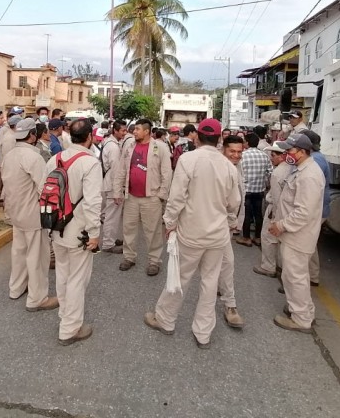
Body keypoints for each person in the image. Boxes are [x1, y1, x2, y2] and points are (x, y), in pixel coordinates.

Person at [144, 119, 241, 349]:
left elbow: (176, 197)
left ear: (197, 135)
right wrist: (229, 222)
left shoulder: (188, 160)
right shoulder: (228, 166)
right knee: (210, 282)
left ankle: (165, 320)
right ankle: (203, 333)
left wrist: (169, 223)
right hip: (217, 236)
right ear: (219, 138)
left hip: (191, 233)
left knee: (180, 277)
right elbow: (234, 202)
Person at [46, 118, 101, 345]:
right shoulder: (90, 163)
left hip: (56, 228)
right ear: (89, 137)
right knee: (78, 279)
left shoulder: (54, 159)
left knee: (63, 274)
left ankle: (64, 316)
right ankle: (70, 329)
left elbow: (44, 191)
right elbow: (92, 202)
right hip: (79, 232)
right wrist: (95, 232)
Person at [268, 133, 325, 333]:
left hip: (298, 235)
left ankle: (301, 319)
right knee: (295, 275)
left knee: (295, 277)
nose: (286, 154)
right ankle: (301, 310)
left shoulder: (309, 175)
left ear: (302, 152)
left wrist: (281, 225)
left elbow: (303, 212)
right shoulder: (300, 169)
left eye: (289, 150)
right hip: (294, 235)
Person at [2, 118, 58, 311]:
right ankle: (37, 298)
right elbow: (45, 189)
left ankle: (16, 288)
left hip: (16, 212)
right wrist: (52, 216)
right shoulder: (33, 157)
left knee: (18, 253)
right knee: (37, 257)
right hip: (33, 215)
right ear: (32, 135)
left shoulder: (9, 156)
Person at [113, 118, 173, 276]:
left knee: (152, 231)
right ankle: (129, 257)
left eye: (138, 129)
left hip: (152, 197)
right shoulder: (129, 146)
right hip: (131, 196)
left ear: (147, 131)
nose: (134, 131)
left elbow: (167, 173)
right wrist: (117, 191)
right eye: (135, 129)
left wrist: (161, 195)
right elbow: (121, 169)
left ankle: (154, 261)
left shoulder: (160, 147)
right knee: (128, 229)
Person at [217, 134, 245, 328]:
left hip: (226, 228)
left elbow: (237, 199)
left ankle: (230, 304)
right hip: (213, 226)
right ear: (223, 150)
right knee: (185, 271)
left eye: (239, 152)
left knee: (227, 263)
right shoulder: (218, 169)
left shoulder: (237, 168)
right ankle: (164, 314)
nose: (236, 155)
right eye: (232, 151)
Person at [253, 141, 288, 278]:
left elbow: (276, 197)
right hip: (284, 210)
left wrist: (274, 217)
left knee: (268, 238)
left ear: (281, 156)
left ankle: (268, 266)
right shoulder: (290, 169)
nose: (271, 158)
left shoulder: (277, 173)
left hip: (275, 208)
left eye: (273, 155)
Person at [303, 130, 331, 287]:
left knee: (305, 246)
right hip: (316, 209)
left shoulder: (315, 161)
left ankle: (307, 278)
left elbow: (310, 190)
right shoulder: (317, 158)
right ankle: (312, 276)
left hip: (314, 210)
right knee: (310, 244)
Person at [237, 132, 272, 247]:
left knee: (246, 214)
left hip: (246, 190)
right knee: (258, 214)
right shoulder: (265, 155)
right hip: (259, 190)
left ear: (246, 142)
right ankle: (257, 237)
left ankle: (246, 237)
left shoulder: (243, 155)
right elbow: (270, 172)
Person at [100, 119, 127, 253]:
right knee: (111, 214)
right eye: (122, 130)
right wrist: (118, 190)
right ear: (115, 131)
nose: (124, 133)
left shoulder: (111, 143)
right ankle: (108, 243)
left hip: (109, 183)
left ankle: (110, 238)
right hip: (112, 184)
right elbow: (117, 170)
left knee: (111, 214)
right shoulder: (113, 147)